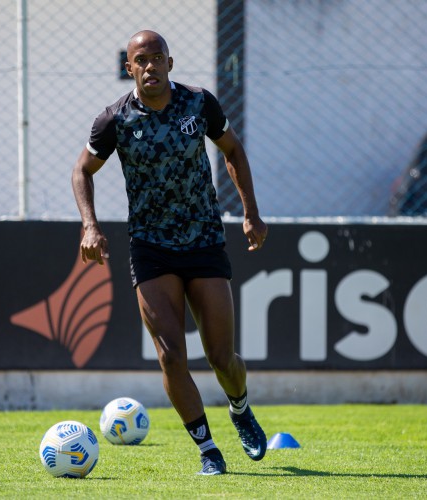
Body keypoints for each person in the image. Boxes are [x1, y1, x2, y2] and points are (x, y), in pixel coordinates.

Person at [71, 30, 268, 476]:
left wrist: (250, 212)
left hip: (204, 241)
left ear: (171, 63)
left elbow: (232, 149)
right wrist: (90, 225)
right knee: (171, 355)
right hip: (151, 248)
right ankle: (208, 450)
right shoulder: (114, 120)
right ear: (130, 68)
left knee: (223, 358)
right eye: (141, 60)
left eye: (157, 58)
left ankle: (239, 407)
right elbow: (82, 169)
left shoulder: (200, 103)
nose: (150, 66)